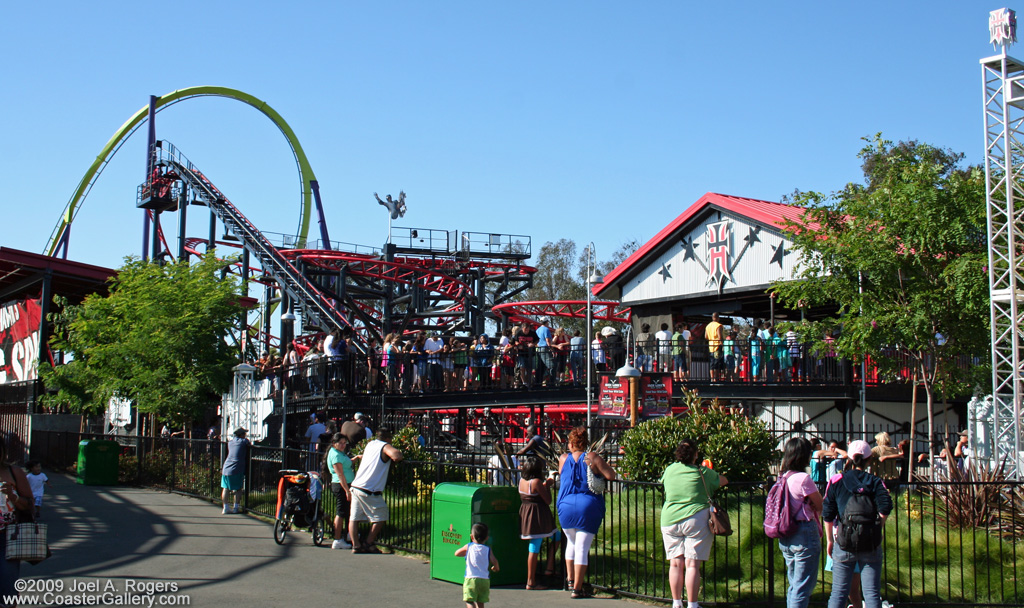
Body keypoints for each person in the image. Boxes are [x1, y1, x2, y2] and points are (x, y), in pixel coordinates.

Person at [660, 437, 729, 608]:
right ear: (695, 454)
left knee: (675, 563)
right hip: (696, 519)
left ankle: (676, 603)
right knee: (692, 564)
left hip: (669, 519)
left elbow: (663, 484)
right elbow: (723, 480)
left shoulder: (669, 470)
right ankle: (692, 604)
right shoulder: (702, 472)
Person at [823, 439, 892, 608]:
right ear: (869, 460)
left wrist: (830, 540)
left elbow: (827, 513)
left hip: (844, 540)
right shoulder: (875, 482)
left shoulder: (836, 481)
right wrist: (878, 526)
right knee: (872, 593)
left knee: (839, 593)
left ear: (850, 458)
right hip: (870, 541)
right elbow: (886, 505)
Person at [556, 426, 616, 598]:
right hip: (587, 506)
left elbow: (562, 473)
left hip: (565, 505)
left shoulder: (563, 458)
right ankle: (577, 588)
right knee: (582, 547)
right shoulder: (592, 458)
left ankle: (569, 579)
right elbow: (610, 475)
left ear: (571, 443)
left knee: (571, 543)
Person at [776, 438, 824, 608]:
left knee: (794, 584)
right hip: (804, 531)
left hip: (786, 532)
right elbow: (820, 505)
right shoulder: (803, 479)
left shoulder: (782, 477)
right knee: (803, 586)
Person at [349, 427, 404, 554]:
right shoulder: (384, 446)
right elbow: (396, 455)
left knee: (354, 518)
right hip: (370, 489)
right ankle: (368, 542)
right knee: (381, 516)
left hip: (356, 486)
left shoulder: (370, 444)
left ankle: (356, 545)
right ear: (387, 438)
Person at [0, 437, 33, 600]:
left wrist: (13, 496)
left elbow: (29, 505)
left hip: (7, 537)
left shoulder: (15, 473)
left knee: (7, 588)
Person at [518, 456, 557, 590]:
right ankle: (531, 581)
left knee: (554, 537)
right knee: (535, 547)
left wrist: (544, 485)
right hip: (538, 516)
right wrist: (549, 486)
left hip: (526, 514)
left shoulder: (522, 481)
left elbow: (533, 492)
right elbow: (548, 500)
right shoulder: (536, 482)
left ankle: (549, 568)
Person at [455, 522, 500, 608]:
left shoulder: (469, 547)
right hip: (484, 580)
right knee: (481, 602)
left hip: (471, 578)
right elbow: (495, 561)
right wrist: (496, 568)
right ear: (486, 538)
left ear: (472, 536)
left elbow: (457, 553)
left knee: (470, 601)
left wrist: (465, 553)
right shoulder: (488, 549)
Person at [326, 433, 355, 550]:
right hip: (341, 485)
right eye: (341, 443)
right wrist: (347, 490)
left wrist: (355, 459)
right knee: (341, 512)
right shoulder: (336, 455)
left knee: (346, 511)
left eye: (345, 443)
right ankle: (337, 539)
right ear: (334, 443)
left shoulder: (338, 453)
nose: (343, 445)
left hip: (344, 484)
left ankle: (347, 534)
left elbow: (346, 464)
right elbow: (340, 474)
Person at [221, 428, 250, 514]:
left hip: (226, 467)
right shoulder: (243, 442)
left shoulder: (230, 442)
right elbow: (248, 443)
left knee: (226, 488)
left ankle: (225, 507)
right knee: (238, 489)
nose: (245, 435)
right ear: (241, 435)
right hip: (236, 468)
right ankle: (235, 507)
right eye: (244, 433)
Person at [705, 313, 725, 381]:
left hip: (711, 346)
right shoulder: (718, 325)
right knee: (717, 363)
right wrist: (722, 344)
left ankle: (712, 378)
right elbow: (720, 337)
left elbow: (706, 336)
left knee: (712, 363)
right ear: (717, 317)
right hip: (717, 346)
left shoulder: (708, 326)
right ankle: (716, 379)